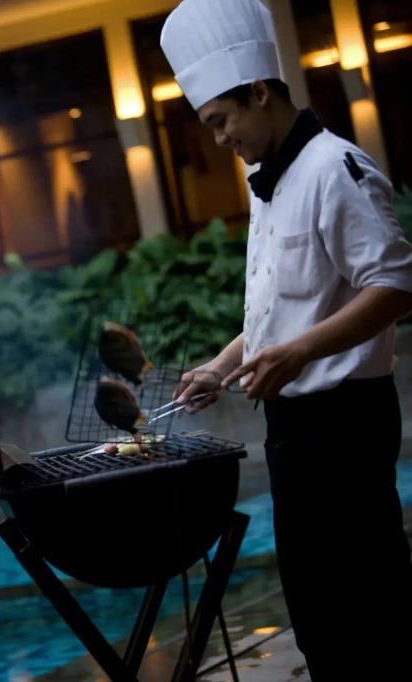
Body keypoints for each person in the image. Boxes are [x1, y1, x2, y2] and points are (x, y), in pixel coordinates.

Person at [162, 1, 412, 678]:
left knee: (368, 610)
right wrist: (220, 366)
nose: (219, 139)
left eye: (221, 121)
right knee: (317, 614)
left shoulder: (336, 168)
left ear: (259, 93)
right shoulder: (265, 182)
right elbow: (281, 311)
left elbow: (396, 284)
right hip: (291, 430)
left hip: (346, 424)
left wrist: (299, 353)